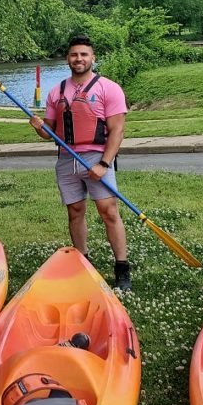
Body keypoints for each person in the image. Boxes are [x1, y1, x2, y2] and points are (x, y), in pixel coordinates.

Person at [29, 36, 132, 290]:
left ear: (93, 58)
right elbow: (49, 133)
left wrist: (104, 165)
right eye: (74, 55)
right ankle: (82, 263)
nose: (79, 59)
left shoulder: (109, 88)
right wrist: (39, 128)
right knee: (75, 212)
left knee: (108, 211)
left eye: (84, 54)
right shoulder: (57, 91)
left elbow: (117, 131)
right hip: (67, 159)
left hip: (96, 158)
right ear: (68, 58)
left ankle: (122, 269)